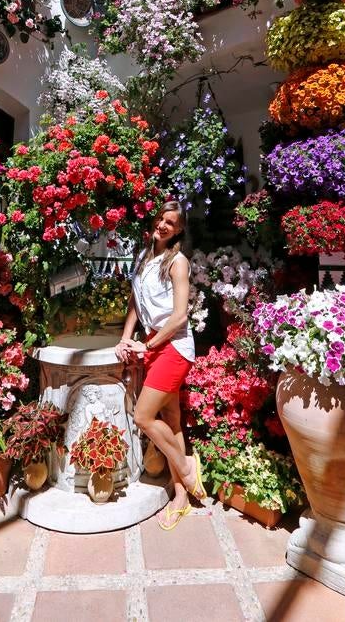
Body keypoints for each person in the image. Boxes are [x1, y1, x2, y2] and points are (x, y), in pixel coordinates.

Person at [115, 199, 206, 530]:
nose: (164, 225)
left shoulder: (177, 262)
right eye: (160, 219)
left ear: (179, 229)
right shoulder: (143, 257)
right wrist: (126, 338)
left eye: (171, 222)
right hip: (153, 343)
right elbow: (135, 303)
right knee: (171, 420)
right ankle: (181, 496)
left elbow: (180, 315)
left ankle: (185, 468)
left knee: (143, 416)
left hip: (174, 346)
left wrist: (147, 344)